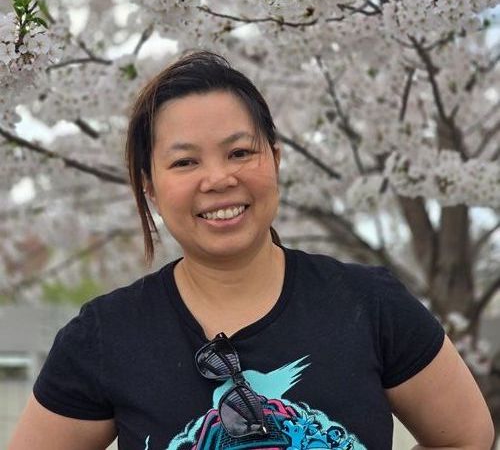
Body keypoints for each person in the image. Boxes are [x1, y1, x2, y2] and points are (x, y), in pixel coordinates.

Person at [8, 50, 494, 450]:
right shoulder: (103, 335)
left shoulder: (371, 304)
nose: (219, 178)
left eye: (240, 152)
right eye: (185, 162)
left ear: (275, 160)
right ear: (150, 186)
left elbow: (467, 438)